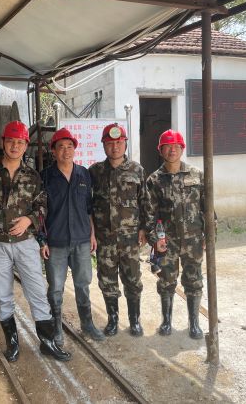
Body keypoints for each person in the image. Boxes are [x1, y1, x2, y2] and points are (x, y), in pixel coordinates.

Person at [0, 121, 71, 362]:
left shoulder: (32, 176)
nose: (15, 146)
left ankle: (48, 342)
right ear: (3, 143)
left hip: (25, 242)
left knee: (37, 292)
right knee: (3, 295)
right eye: (10, 141)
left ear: (25, 145)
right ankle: (12, 343)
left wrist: (29, 219)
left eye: (20, 142)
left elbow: (42, 205)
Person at [40, 128, 105, 345]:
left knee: (83, 284)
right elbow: (39, 212)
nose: (66, 151)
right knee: (55, 288)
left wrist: (92, 234)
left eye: (70, 146)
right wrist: (42, 240)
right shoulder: (45, 176)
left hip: (81, 240)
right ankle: (57, 327)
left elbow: (88, 208)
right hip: (55, 242)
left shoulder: (83, 174)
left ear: (74, 149)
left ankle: (87, 324)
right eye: (61, 147)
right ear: (53, 151)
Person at [89, 123, 148, 337]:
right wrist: (92, 233)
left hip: (130, 239)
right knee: (107, 280)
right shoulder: (95, 172)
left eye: (119, 142)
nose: (115, 147)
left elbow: (145, 202)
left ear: (125, 144)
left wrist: (144, 229)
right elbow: (88, 206)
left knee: (133, 279)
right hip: (105, 238)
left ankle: (134, 320)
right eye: (110, 143)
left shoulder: (137, 170)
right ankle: (112, 319)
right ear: (103, 145)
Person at [145, 129, 205, 339]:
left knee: (193, 280)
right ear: (160, 150)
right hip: (167, 241)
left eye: (176, 146)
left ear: (182, 149)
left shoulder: (197, 175)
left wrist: (209, 236)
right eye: (168, 147)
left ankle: (194, 323)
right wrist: (154, 240)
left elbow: (208, 208)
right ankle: (166, 321)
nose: (172, 150)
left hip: (193, 239)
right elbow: (149, 214)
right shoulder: (154, 180)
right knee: (166, 281)